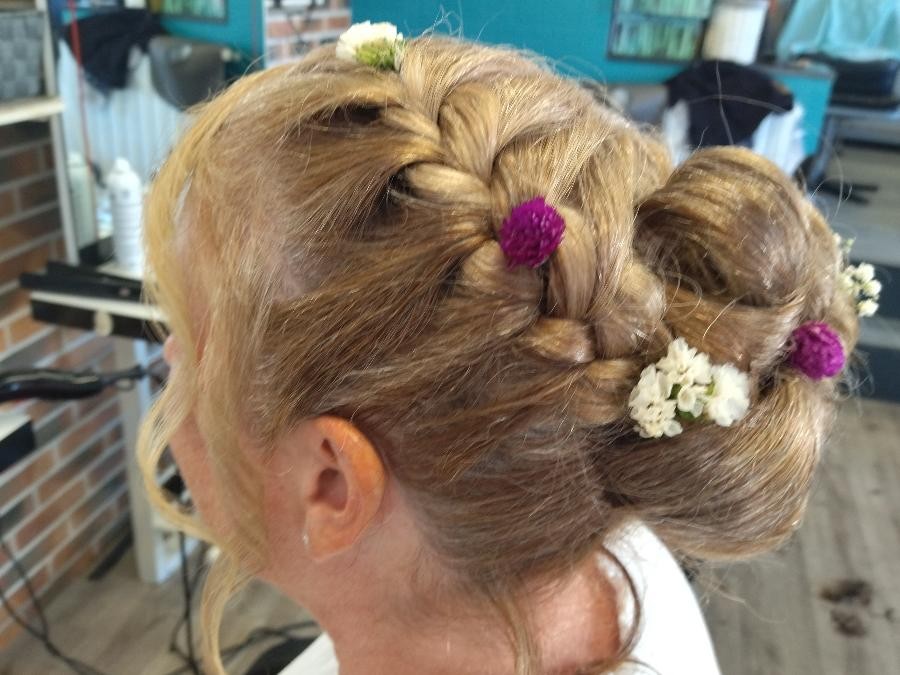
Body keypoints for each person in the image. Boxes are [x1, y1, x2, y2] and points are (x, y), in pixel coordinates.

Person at [138, 23, 864, 675]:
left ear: (330, 483)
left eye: (195, 346)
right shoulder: (610, 540)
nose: (170, 357)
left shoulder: (601, 511)